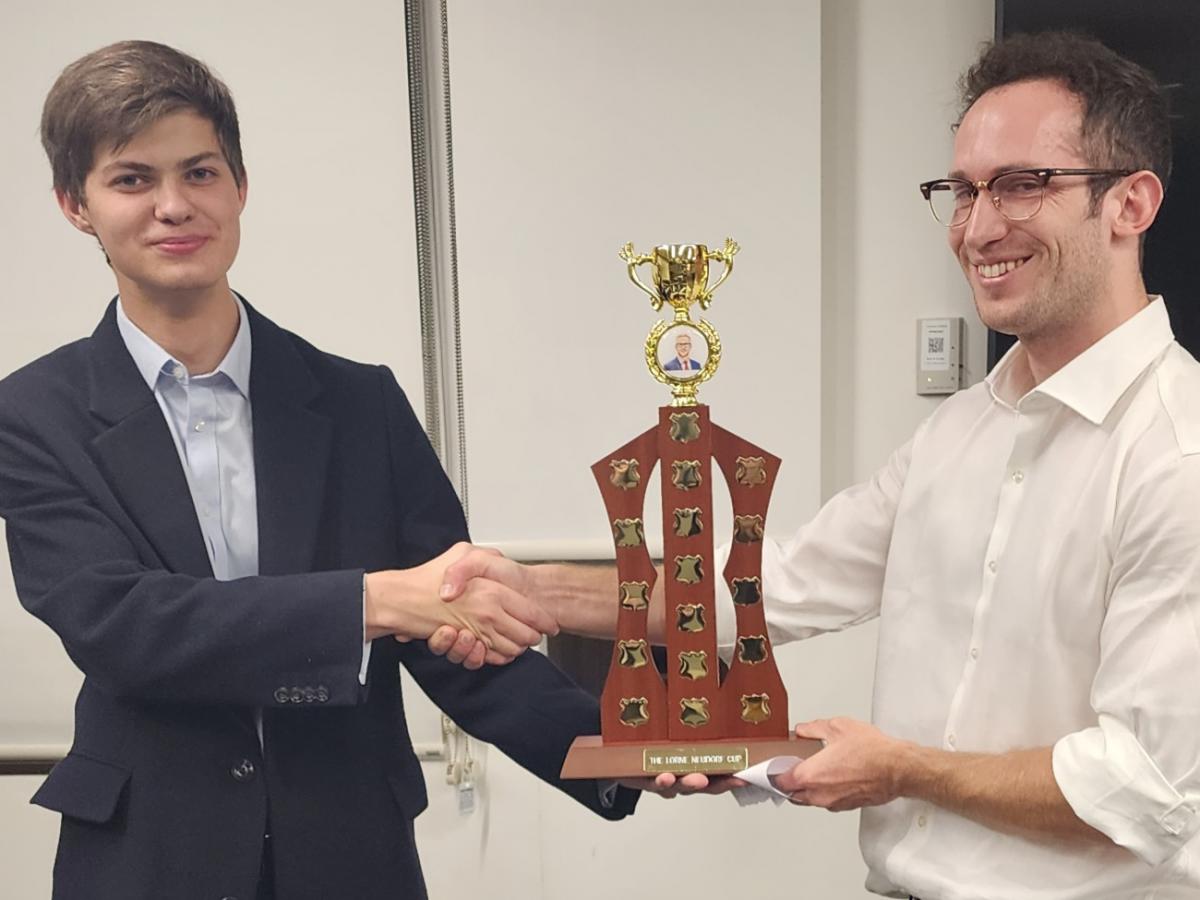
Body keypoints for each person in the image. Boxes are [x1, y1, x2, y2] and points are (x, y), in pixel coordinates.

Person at [434, 32, 1200, 898]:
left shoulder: (1176, 455)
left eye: (1024, 184)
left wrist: (904, 770)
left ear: (1130, 204)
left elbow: (1143, 788)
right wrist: (535, 593)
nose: (979, 227)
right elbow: (771, 588)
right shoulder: (958, 435)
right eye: (961, 190)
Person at [0, 40, 707, 900]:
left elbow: (455, 634)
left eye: (200, 171)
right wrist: (376, 600)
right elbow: (123, 625)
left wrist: (614, 749)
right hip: (149, 852)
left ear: (241, 186)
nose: (174, 206)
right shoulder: (33, 414)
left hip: (348, 847)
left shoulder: (357, 401)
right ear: (77, 206)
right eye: (133, 180)